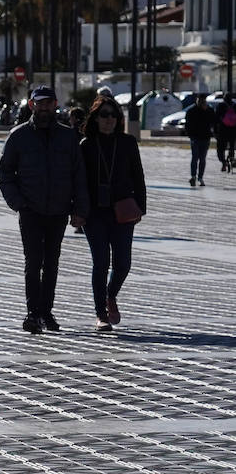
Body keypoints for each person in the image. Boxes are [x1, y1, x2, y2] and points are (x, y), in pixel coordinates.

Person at [0, 86, 89, 334]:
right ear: (31, 105)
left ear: (56, 104)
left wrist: (79, 209)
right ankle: (32, 313)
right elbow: (4, 173)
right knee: (33, 262)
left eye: (49, 103)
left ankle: (46, 311)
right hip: (30, 210)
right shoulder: (19, 136)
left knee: (52, 263)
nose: (44, 107)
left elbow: (78, 174)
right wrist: (18, 203)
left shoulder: (69, 137)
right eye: (40, 103)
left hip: (58, 210)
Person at [79, 95, 146, 332]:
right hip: (95, 213)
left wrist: (141, 208)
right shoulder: (86, 145)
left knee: (123, 264)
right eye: (103, 115)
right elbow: (78, 181)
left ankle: (110, 295)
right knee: (100, 262)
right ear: (95, 119)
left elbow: (138, 177)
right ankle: (101, 314)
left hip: (122, 210)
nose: (108, 120)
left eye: (113, 115)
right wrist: (77, 211)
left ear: (119, 119)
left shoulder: (127, 142)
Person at [185, 92, 216, 187]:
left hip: (205, 137)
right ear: (197, 101)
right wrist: (190, 135)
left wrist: (206, 111)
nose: (202, 102)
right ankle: (193, 176)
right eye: (200, 101)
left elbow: (213, 121)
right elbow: (188, 125)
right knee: (195, 157)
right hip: (195, 137)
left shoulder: (209, 110)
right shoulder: (191, 111)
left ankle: (200, 177)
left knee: (202, 158)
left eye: (203, 101)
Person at [215, 92, 236, 172]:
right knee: (231, 147)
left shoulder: (221, 106)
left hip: (222, 130)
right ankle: (231, 159)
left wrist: (215, 130)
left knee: (221, 149)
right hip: (233, 130)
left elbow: (216, 119)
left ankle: (224, 162)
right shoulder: (235, 106)